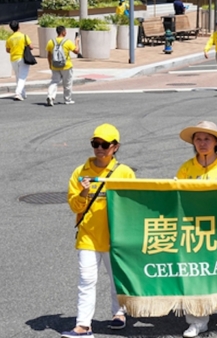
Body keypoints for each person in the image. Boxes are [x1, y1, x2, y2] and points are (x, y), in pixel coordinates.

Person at [61, 124, 134, 337]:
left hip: (115, 237)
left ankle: (119, 313)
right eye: (95, 144)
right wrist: (83, 193)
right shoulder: (80, 172)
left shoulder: (124, 172)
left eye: (104, 144)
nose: (99, 148)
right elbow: (74, 206)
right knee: (86, 280)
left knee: (116, 279)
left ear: (115, 147)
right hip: (88, 236)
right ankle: (83, 325)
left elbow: (133, 204)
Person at [175, 121, 217, 337]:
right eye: (198, 139)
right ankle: (197, 319)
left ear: (216, 143)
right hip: (193, 229)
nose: (202, 143)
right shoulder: (186, 167)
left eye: (207, 139)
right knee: (196, 271)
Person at [46, 25, 79, 106]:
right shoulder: (67, 42)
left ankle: (50, 96)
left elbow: (49, 55)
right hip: (66, 66)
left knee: (54, 81)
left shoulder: (51, 41)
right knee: (67, 83)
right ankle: (67, 99)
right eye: (65, 31)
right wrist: (77, 42)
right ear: (63, 32)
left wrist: (50, 64)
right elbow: (76, 51)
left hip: (55, 65)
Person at [6, 20, 33, 101]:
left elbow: (7, 50)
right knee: (22, 76)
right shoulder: (24, 36)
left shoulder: (10, 38)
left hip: (13, 59)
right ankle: (18, 93)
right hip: (22, 58)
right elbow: (31, 47)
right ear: (19, 27)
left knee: (18, 76)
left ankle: (23, 93)